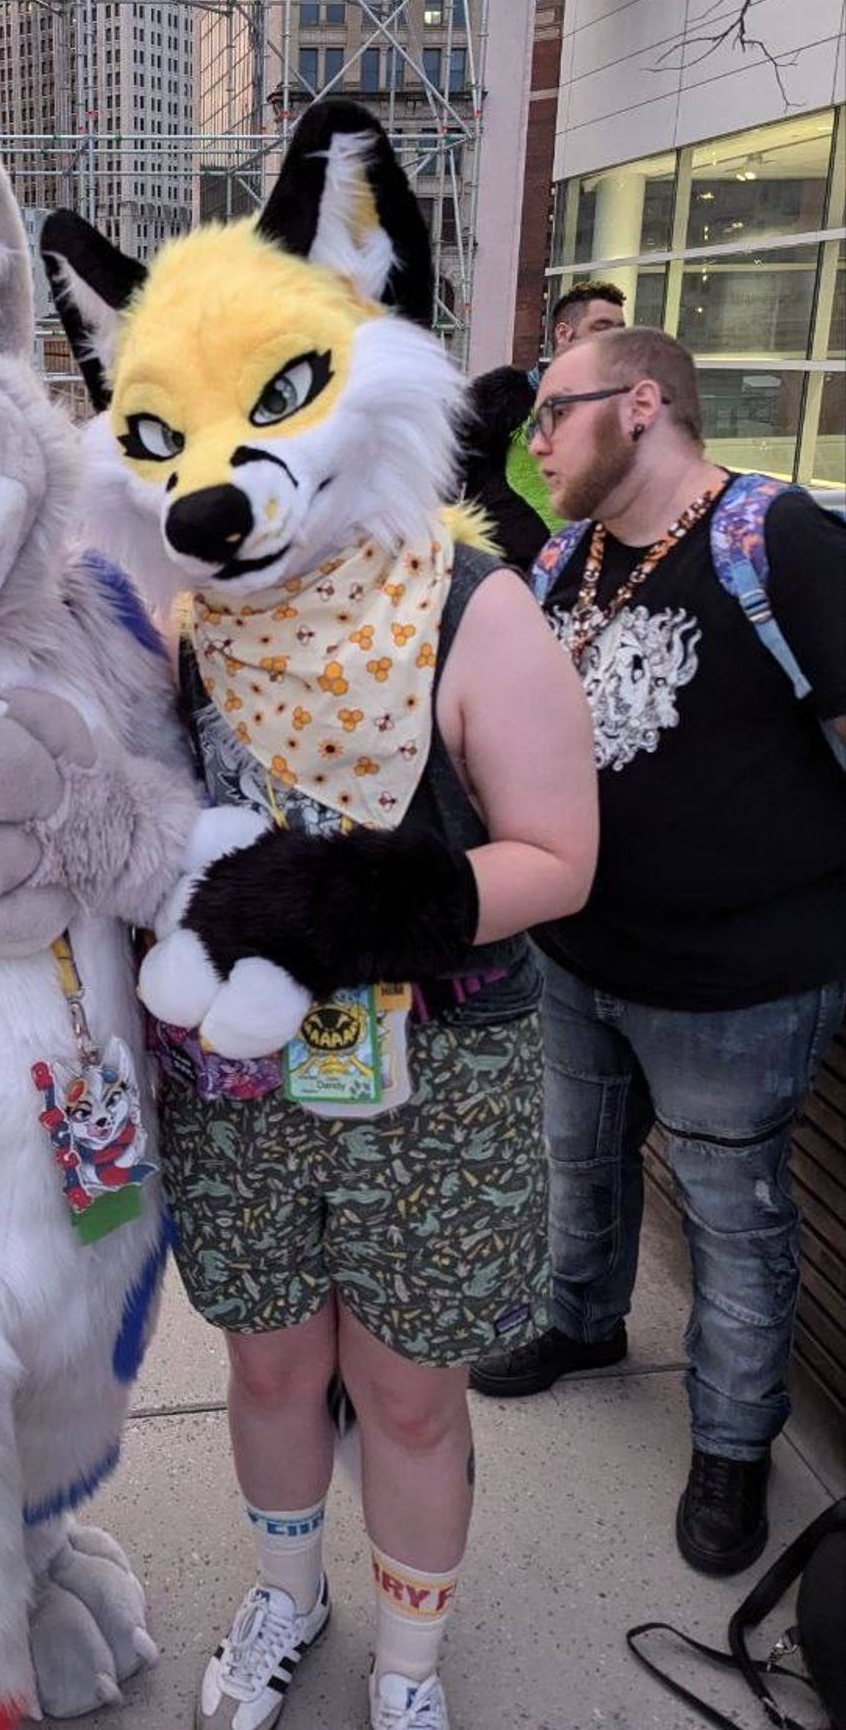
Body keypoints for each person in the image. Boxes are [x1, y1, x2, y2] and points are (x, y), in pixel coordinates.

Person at [39, 97, 601, 1730]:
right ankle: (285, 1598)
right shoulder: (181, 617)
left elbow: (561, 856)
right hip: (239, 1085)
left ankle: (410, 1668)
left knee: (409, 1398)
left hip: (436, 1077)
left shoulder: (473, 604)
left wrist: (371, 904)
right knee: (274, 1366)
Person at [471, 325, 846, 1578]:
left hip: (741, 985)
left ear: (641, 403)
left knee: (736, 1219)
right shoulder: (573, 557)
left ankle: (734, 1445)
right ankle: (583, 1320)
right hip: (581, 957)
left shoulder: (774, 540)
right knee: (577, 1163)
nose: (533, 442)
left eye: (549, 416)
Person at [458, 281, 627, 570]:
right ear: (564, 333)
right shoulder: (502, 397)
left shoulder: (621, 408)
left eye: (620, 330)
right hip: (504, 572)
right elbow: (448, 470)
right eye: (602, 327)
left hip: (585, 574)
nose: (616, 340)